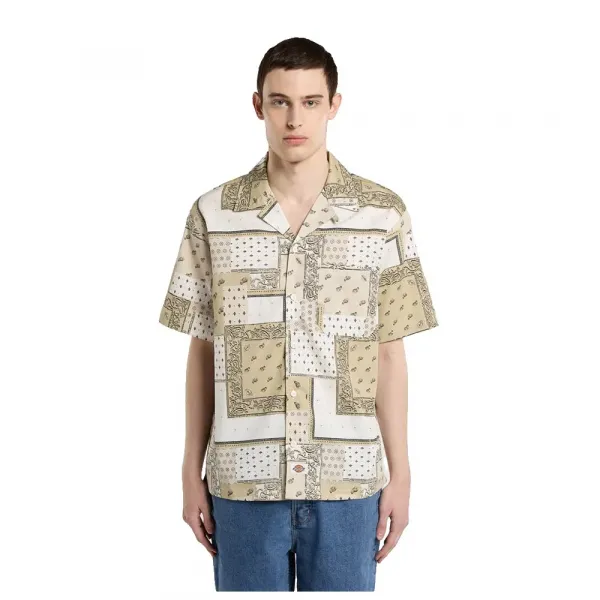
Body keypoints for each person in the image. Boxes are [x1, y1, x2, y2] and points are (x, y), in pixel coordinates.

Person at [158, 36, 439, 592]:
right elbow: (203, 348)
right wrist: (190, 472)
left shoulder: (382, 214)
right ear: (258, 105)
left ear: (334, 105)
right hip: (243, 483)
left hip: (349, 483)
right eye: (280, 101)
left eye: (311, 101)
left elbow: (389, 352)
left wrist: (401, 475)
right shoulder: (213, 214)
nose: (295, 119)